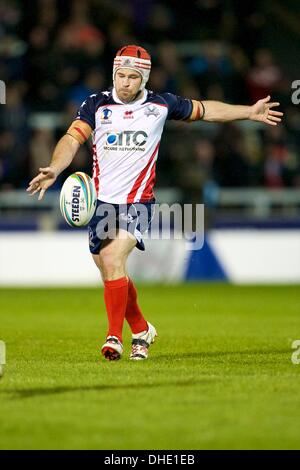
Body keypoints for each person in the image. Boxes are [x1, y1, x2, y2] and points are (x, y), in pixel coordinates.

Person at [27, 45, 283, 361]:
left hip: (139, 202)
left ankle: (113, 338)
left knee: (112, 257)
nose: (125, 82)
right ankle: (141, 329)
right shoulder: (96, 105)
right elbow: (71, 139)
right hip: (103, 204)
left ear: (143, 78)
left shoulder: (161, 105)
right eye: (120, 75)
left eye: (133, 77)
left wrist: (248, 111)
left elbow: (206, 110)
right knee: (110, 271)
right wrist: (55, 167)